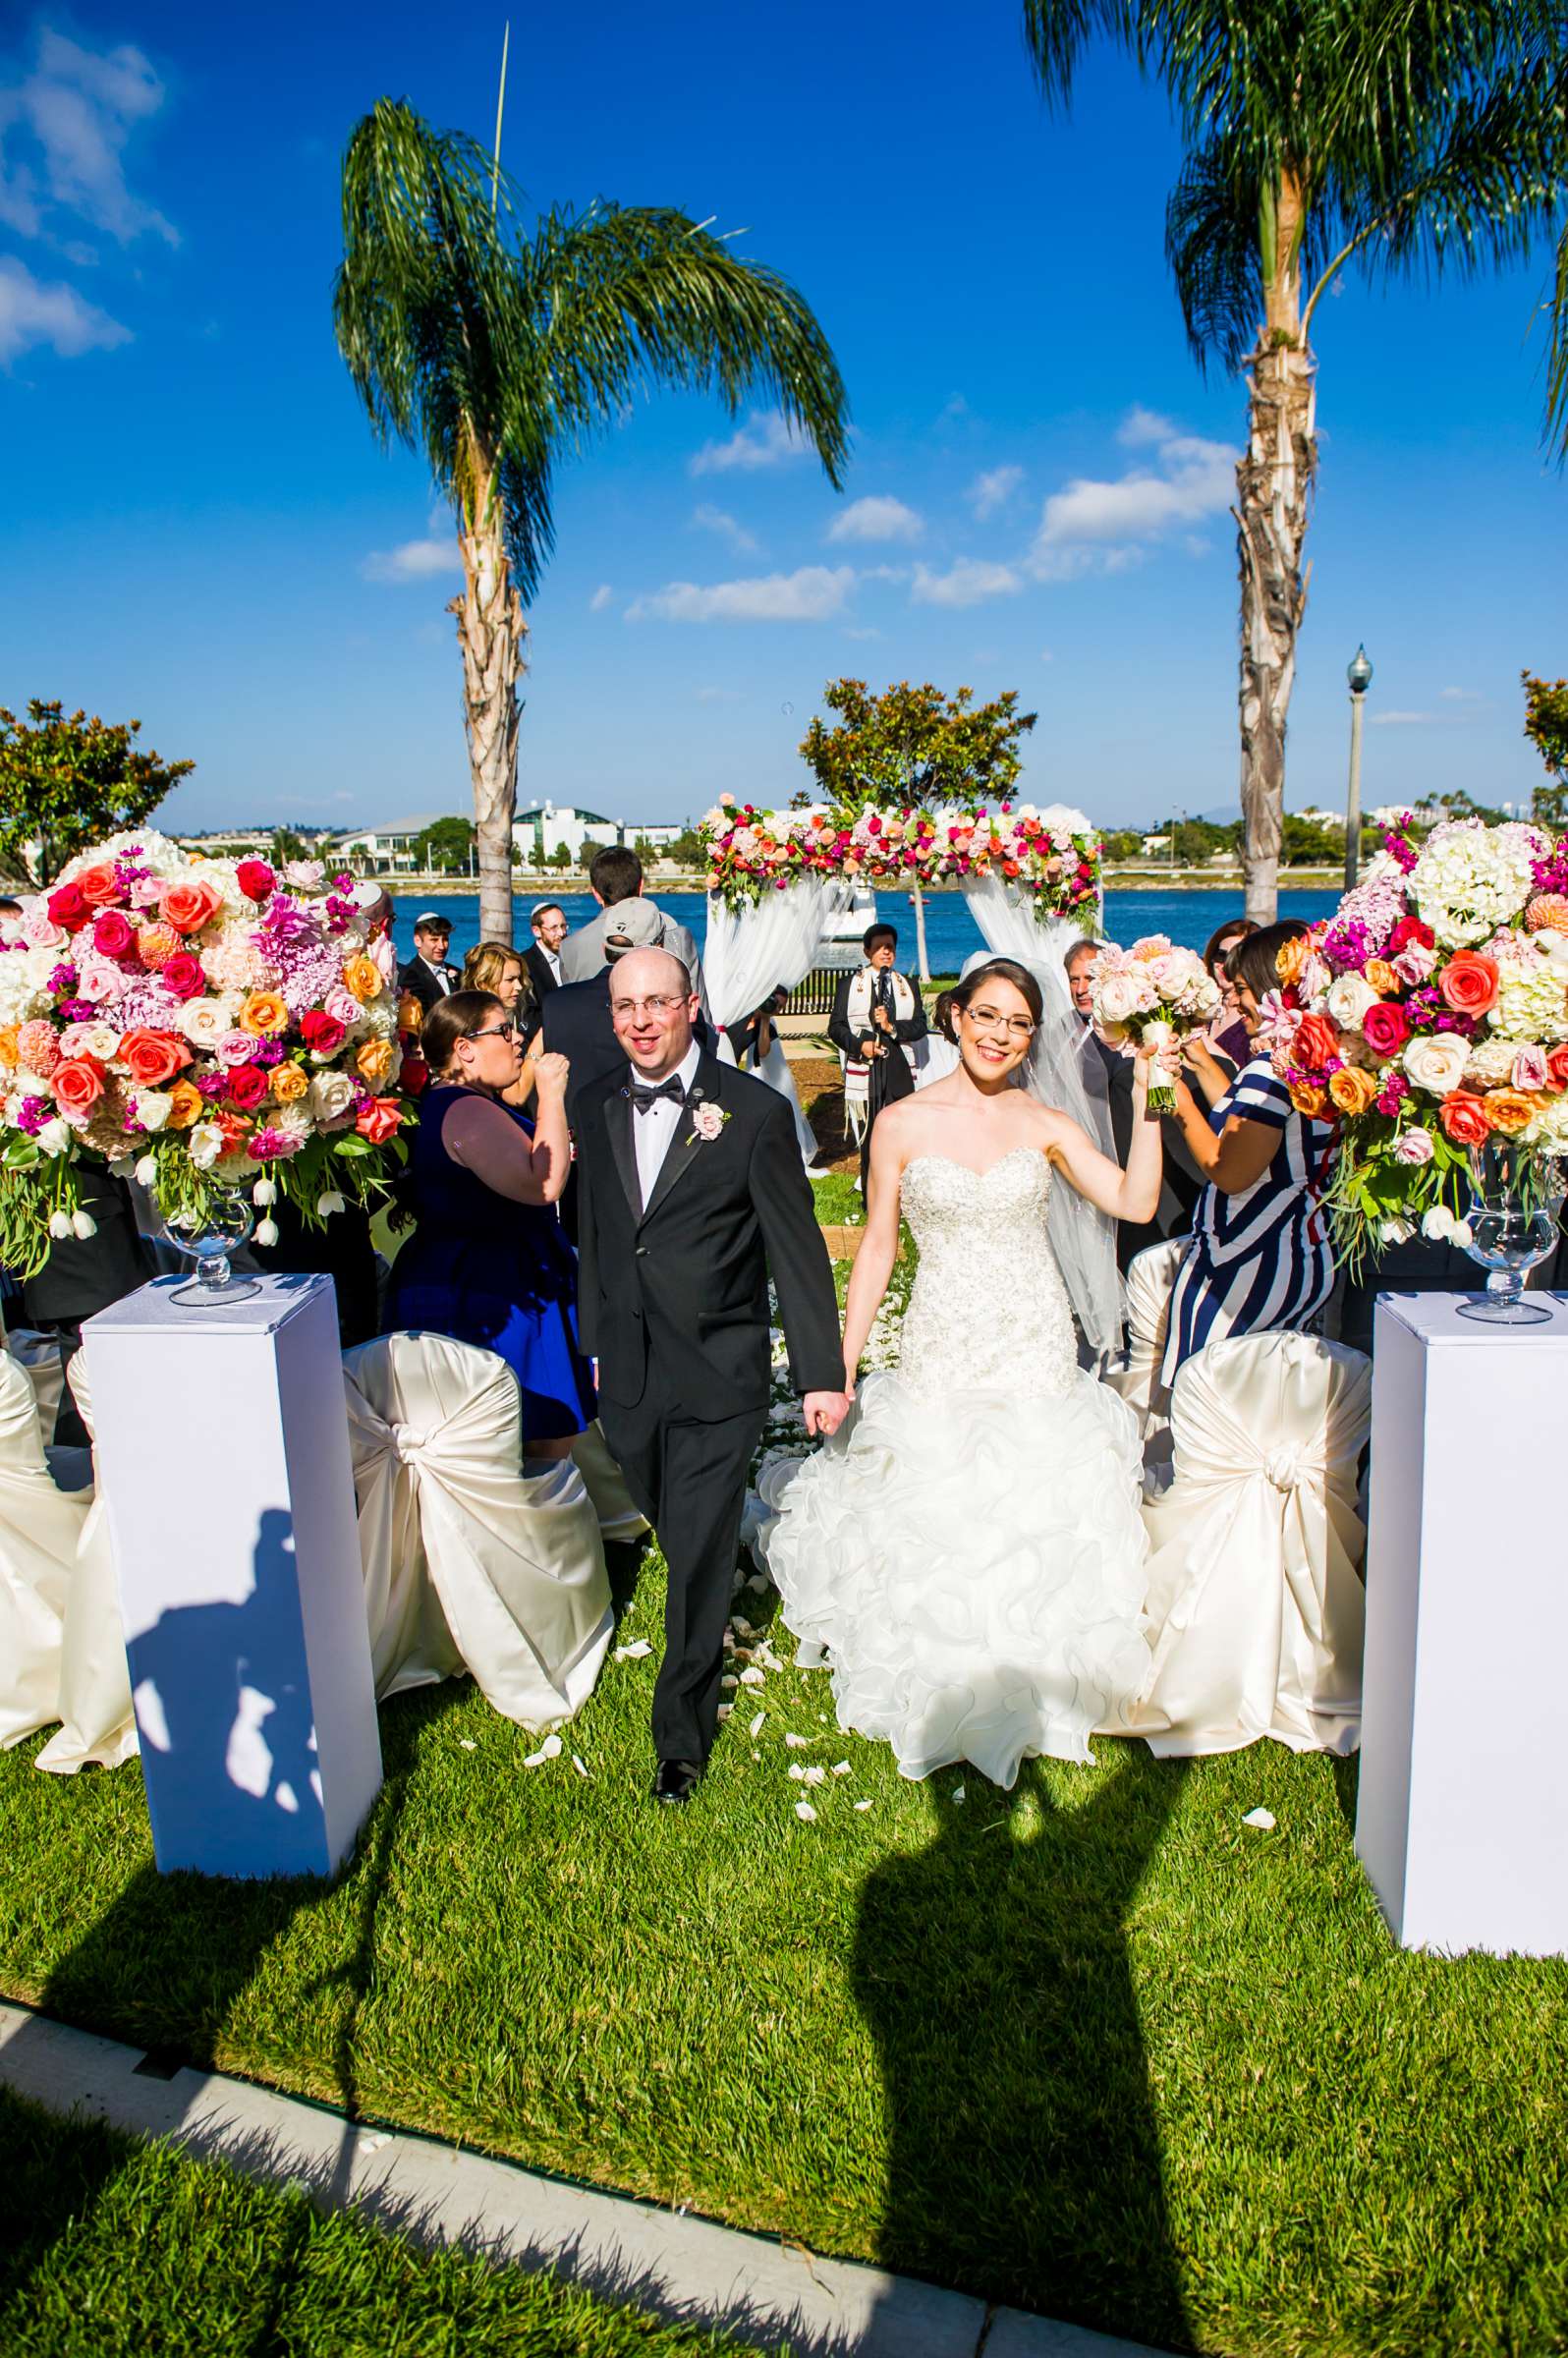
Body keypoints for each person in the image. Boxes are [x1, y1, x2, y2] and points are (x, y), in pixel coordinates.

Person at [755, 957, 1165, 1787]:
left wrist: (1150, 1094)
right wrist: (840, 1364)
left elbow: (1135, 1203)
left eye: (1018, 1024)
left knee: (1033, 1486)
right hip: (943, 1334)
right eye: (987, 1015)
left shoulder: (1046, 1122)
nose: (1000, 1035)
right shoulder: (901, 1122)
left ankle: (1044, 1660)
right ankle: (934, 1660)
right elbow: (877, 1247)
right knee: (938, 1489)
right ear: (955, 1016)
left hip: (1031, 1335)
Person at [573, 946, 846, 1805]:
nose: (642, 1021)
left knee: (693, 1556)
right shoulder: (593, 1099)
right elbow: (599, 1232)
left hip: (719, 1369)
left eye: (658, 1002)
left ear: (692, 1006)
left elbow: (797, 1253)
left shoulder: (756, 1113)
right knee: (671, 1519)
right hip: (627, 1373)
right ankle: (700, 1563)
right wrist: (591, 1340)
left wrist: (819, 1372)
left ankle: (680, 1737)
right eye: (626, 1007)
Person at [382, 992, 593, 1455]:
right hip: (492, 1290)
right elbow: (544, 1185)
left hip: (483, 1273)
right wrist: (552, 1096)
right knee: (532, 1434)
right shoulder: (466, 1109)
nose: (517, 1038)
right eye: (503, 1029)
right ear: (464, 1049)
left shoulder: (452, 1100)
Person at [1160, 921, 1335, 1383]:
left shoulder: (1269, 1068)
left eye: (1242, 988)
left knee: (1210, 1403)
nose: (1233, 1001)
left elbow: (1232, 1169)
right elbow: (1253, 1124)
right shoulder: (1311, 1056)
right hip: (1300, 1251)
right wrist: (1199, 1062)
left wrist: (1175, 1101)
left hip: (1246, 1261)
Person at [1065, 935, 1202, 1270]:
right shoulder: (1063, 1034)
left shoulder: (1139, 1030)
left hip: (1152, 1153)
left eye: (1089, 978)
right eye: (1074, 979)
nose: (1082, 988)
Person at [828, 924, 928, 1191]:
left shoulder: (908, 985)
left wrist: (891, 1027)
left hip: (899, 1067)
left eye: (891, 947)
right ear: (867, 951)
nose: (886, 952)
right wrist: (860, 1045)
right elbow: (835, 1027)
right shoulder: (850, 985)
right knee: (870, 1134)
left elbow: (919, 1025)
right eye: (880, 947)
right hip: (867, 1067)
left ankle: (903, 1191)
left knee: (902, 1131)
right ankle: (871, 1193)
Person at [559, 846, 706, 1008]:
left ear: (596, 893)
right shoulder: (677, 935)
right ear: (641, 886)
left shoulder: (569, 947)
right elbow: (700, 1012)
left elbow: (570, 1007)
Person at [463, 939, 540, 1104]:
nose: (519, 986)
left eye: (519, 978)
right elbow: (516, 1096)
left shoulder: (520, 1014)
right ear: (484, 983)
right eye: (510, 980)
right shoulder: (479, 1028)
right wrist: (537, 1048)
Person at [1203, 917, 1258, 1067]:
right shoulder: (1197, 1005)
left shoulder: (1255, 1016)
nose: (1226, 964)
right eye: (1221, 955)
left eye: (1236, 958)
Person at [398, 912, 461, 1013]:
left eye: (445, 939)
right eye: (434, 940)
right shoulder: (409, 976)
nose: (442, 946)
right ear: (418, 941)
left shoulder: (459, 973)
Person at [525, 902, 568, 999]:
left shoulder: (573, 957)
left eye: (563, 926)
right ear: (537, 931)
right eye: (554, 928)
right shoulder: (525, 964)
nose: (561, 933)